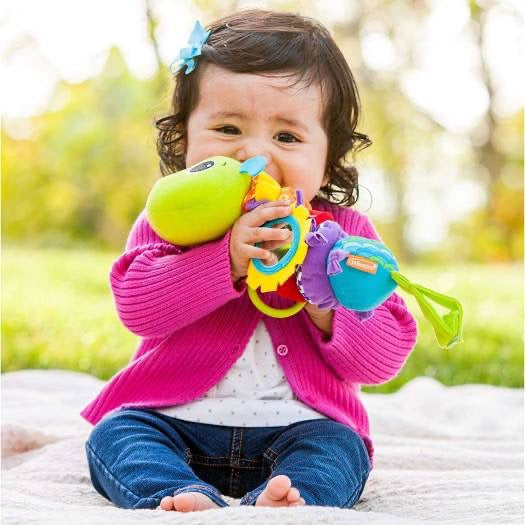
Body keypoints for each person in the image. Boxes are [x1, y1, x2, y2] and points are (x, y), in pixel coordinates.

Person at [82, 9, 418, 512]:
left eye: (286, 137)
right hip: (172, 418)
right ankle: (180, 493)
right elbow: (137, 307)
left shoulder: (345, 235)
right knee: (116, 434)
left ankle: (289, 501)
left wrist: (324, 298)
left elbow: (381, 361)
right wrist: (226, 261)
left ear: (329, 160)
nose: (253, 154)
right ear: (184, 139)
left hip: (300, 424)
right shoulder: (173, 220)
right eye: (227, 128)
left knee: (340, 449)